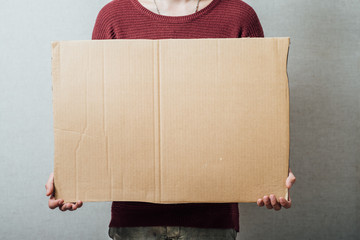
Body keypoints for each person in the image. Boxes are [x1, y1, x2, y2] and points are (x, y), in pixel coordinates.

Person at [45, 0, 296, 239]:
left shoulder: (239, 17)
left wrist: (271, 170)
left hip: (212, 221)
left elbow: (257, 112)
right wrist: (72, 174)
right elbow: (96, 112)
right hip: (134, 219)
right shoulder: (114, 17)